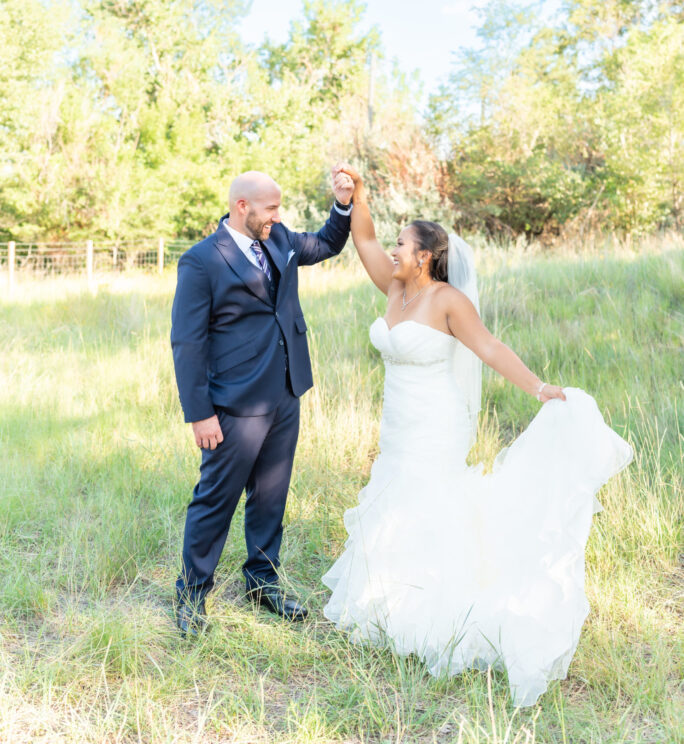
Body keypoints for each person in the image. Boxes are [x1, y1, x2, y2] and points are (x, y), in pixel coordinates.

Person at [322, 167, 633, 707]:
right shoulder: (394, 287)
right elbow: (364, 239)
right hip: (398, 423)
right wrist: (356, 196)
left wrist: (539, 388)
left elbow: (488, 348)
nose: (393, 250)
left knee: (427, 501)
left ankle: (436, 605)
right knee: (394, 496)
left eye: (403, 244)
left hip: (435, 423)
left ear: (425, 256)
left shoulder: (448, 301)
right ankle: (390, 598)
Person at [171, 168, 354, 636]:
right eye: (270, 208)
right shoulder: (201, 261)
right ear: (242, 207)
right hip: (234, 402)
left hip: (286, 391)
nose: (277, 215)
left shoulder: (279, 238)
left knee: (271, 495)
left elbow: (327, 244)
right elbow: (187, 343)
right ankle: (191, 594)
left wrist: (342, 204)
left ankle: (262, 582)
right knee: (216, 499)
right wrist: (200, 414)